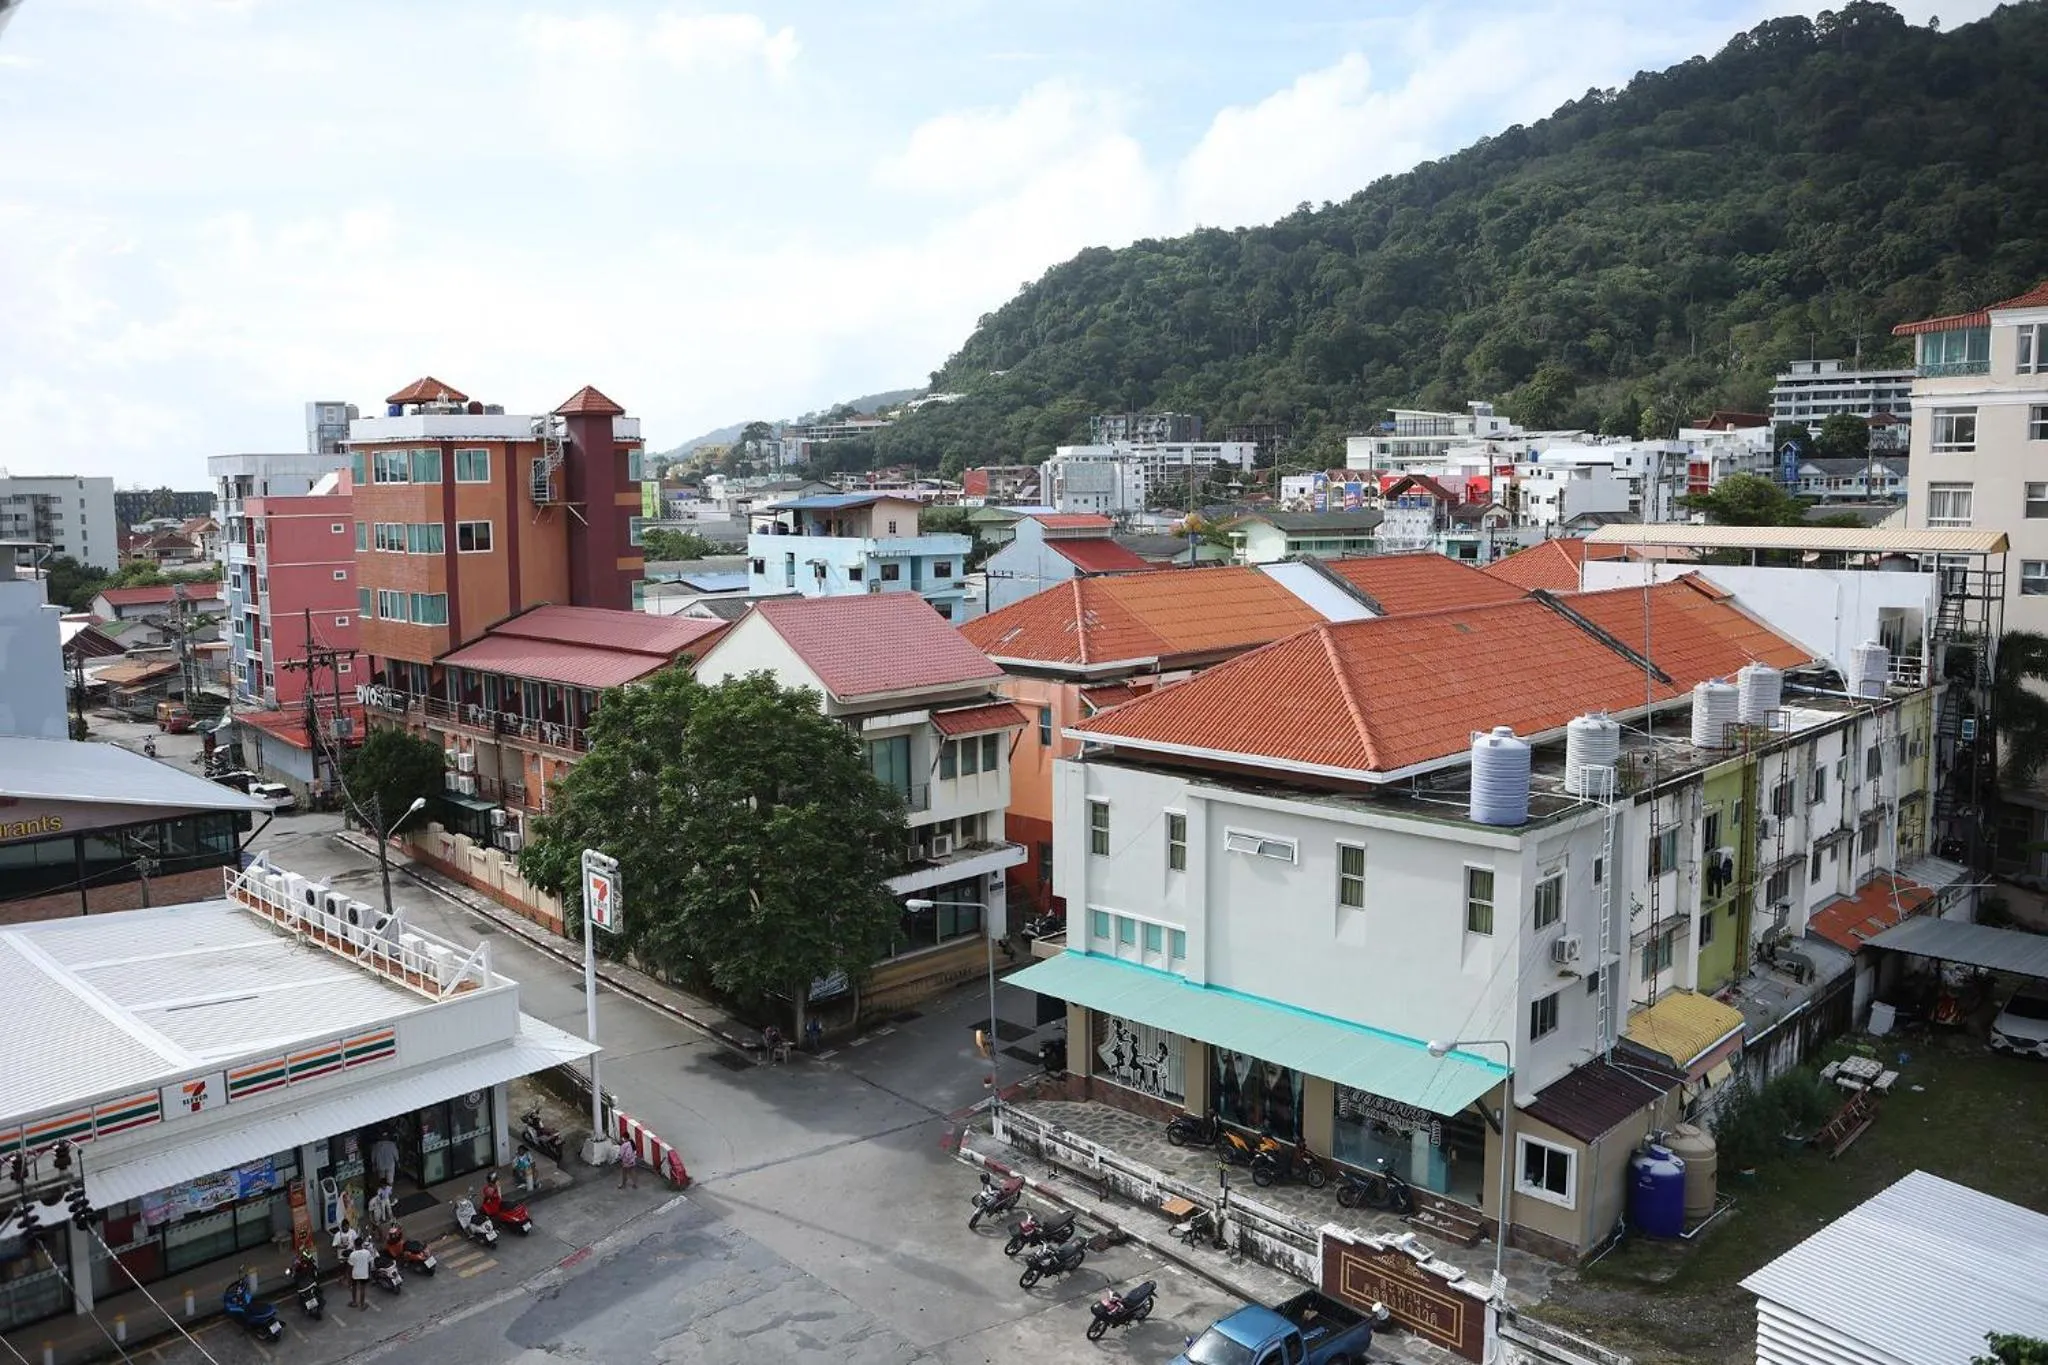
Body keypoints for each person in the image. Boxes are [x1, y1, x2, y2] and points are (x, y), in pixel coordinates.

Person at [347, 1240, 372, 1308]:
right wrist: (369, 1273)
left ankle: (354, 1302)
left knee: (354, 1288)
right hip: (364, 1274)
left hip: (355, 1274)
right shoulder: (367, 1252)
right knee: (362, 1289)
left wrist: (349, 1278)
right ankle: (362, 1304)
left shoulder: (352, 1254)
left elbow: (350, 1267)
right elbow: (369, 1264)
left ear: (355, 1245)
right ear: (362, 1244)